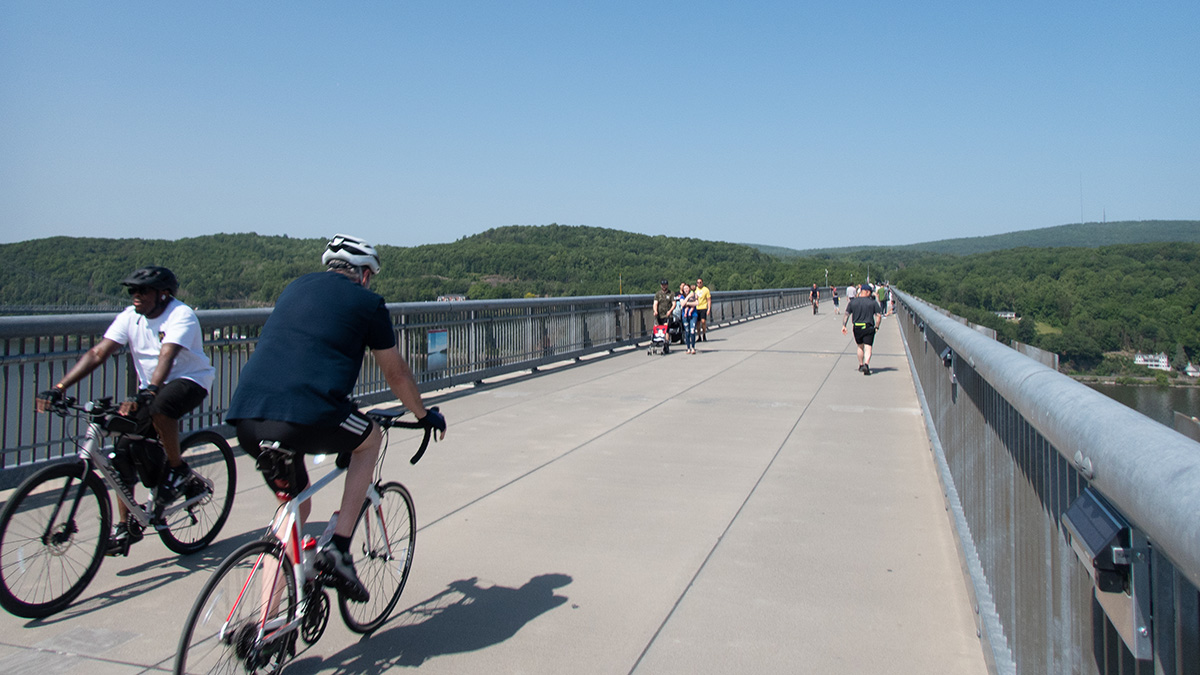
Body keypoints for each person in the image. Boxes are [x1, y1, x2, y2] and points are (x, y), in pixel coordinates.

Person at [225, 234, 447, 603]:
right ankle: (340, 549)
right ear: (363, 274)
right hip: (308, 416)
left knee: (293, 507)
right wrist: (423, 415)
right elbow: (396, 374)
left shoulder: (295, 287)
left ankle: (265, 625)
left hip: (247, 417)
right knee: (370, 438)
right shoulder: (368, 302)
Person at [36, 266, 215, 555]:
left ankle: (177, 468)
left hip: (190, 381)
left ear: (163, 294)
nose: (136, 296)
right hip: (151, 389)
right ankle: (126, 526)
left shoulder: (181, 315)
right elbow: (98, 352)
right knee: (121, 449)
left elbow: (167, 354)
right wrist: (59, 388)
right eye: (132, 291)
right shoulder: (130, 317)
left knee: (160, 407)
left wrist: (150, 389)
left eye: (142, 291)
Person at [842, 283, 883, 375]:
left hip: (857, 327)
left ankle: (860, 365)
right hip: (868, 327)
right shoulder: (872, 303)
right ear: (867, 292)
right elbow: (879, 316)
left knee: (860, 346)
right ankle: (866, 364)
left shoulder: (853, 302)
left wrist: (844, 325)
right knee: (868, 347)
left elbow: (847, 314)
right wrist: (877, 326)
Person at [652, 278, 675, 354]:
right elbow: (655, 303)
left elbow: (674, 304)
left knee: (666, 330)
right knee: (658, 329)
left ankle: (666, 344)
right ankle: (658, 342)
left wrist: (670, 311)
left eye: (665, 285)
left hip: (668, 315)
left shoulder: (671, 293)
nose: (664, 286)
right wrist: (655, 311)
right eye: (662, 285)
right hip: (659, 315)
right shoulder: (658, 294)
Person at [680, 282, 698, 354]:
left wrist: (687, 303)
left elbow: (696, 303)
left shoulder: (694, 295)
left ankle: (693, 347)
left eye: (687, 288)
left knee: (692, 330)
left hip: (693, 315)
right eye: (685, 289)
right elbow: (682, 304)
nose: (686, 290)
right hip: (685, 315)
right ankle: (688, 348)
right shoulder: (682, 296)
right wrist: (687, 298)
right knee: (687, 332)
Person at [694, 277, 711, 342]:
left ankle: (704, 334)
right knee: (697, 323)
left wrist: (709, 309)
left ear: (702, 283)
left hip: (703, 307)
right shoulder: (695, 290)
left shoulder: (706, 290)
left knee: (703, 321)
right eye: (697, 283)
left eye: (700, 282)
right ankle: (699, 336)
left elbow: (709, 300)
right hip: (696, 307)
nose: (699, 284)